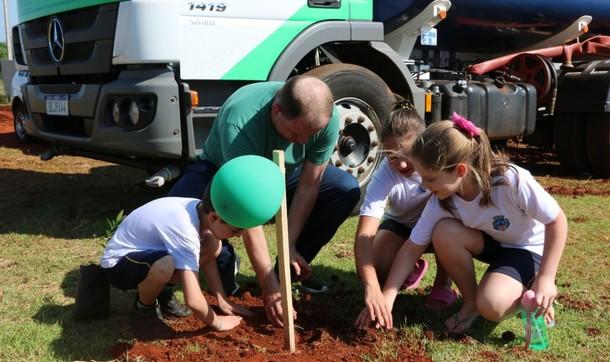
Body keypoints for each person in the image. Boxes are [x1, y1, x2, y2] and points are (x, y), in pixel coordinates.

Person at [169, 75, 360, 326]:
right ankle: (189, 276)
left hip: (284, 174)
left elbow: (309, 184)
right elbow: (246, 201)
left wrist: (288, 245)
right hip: (223, 174)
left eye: (310, 134)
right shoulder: (241, 122)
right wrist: (266, 283)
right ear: (277, 110)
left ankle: (288, 270)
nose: (302, 142)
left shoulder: (326, 118)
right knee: (177, 210)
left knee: (344, 188)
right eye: (295, 132)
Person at [357, 112, 567, 335]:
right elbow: (411, 248)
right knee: (444, 232)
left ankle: (529, 294)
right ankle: (470, 302)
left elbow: (557, 221)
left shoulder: (511, 181)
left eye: (430, 179)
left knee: (492, 305)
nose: (424, 187)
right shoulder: (442, 200)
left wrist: (546, 278)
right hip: (491, 243)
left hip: (525, 249)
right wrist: (388, 297)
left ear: (460, 170)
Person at [354, 104, 455, 329]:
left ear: (423, 143)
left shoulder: (440, 164)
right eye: (391, 156)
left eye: (406, 155)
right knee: (378, 262)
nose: (400, 164)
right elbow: (364, 236)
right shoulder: (384, 175)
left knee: (446, 228)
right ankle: (409, 267)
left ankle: (443, 284)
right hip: (402, 225)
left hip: (439, 228)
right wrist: (372, 288)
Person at [100, 187, 252, 336]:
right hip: (118, 264)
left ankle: (162, 293)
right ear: (213, 217)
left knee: (212, 244)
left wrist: (222, 300)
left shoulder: (201, 210)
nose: (238, 236)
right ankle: (144, 310)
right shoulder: (185, 228)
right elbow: (193, 300)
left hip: (148, 254)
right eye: (235, 230)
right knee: (164, 265)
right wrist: (217, 322)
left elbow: (208, 259)